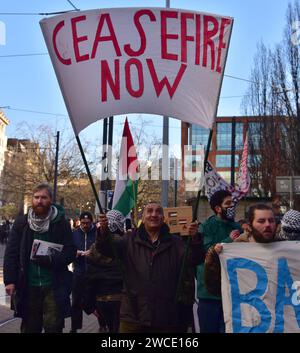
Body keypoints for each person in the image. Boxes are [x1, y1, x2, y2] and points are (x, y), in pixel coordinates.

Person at [96, 202, 205, 333]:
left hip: (166, 315)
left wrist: (195, 239)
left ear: (163, 218)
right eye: (150, 211)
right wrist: (103, 232)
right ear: (143, 217)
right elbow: (106, 249)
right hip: (133, 314)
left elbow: (194, 259)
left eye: (158, 211)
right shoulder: (129, 240)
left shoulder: (176, 243)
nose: (154, 215)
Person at [3, 183, 76, 333]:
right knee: (30, 327)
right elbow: (11, 253)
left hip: (53, 284)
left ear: (50, 199)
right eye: (36, 197)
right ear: (32, 200)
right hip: (29, 285)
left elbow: (70, 251)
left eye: (44, 197)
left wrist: (51, 259)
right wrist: (10, 281)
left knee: (53, 326)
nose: (39, 201)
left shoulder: (61, 223)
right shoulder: (22, 223)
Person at [205, 203, 277, 298]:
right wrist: (214, 257)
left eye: (271, 221)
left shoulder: (284, 249)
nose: (268, 225)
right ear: (250, 226)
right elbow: (214, 288)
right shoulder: (235, 251)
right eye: (261, 221)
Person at [196, 189, 243, 333]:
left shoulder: (238, 228)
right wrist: (229, 240)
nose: (232, 206)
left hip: (233, 292)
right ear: (217, 208)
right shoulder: (206, 227)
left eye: (233, 203)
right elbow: (206, 252)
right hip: (210, 294)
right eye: (228, 203)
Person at [83, 210, 124, 333]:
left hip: (102, 299)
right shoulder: (124, 243)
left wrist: (89, 305)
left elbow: (90, 276)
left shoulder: (95, 247)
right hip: (121, 298)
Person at [70, 211, 96, 333]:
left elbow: (102, 249)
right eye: (83, 223)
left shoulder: (97, 233)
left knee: (96, 300)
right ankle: (74, 327)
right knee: (75, 301)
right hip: (78, 271)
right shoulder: (74, 234)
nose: (85, 225)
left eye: (88, 223)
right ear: (80, 222)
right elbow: (69, 250)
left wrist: (93, 253)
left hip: (94, 272)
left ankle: (102, 324)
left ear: (91, 222)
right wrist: (76, 253)